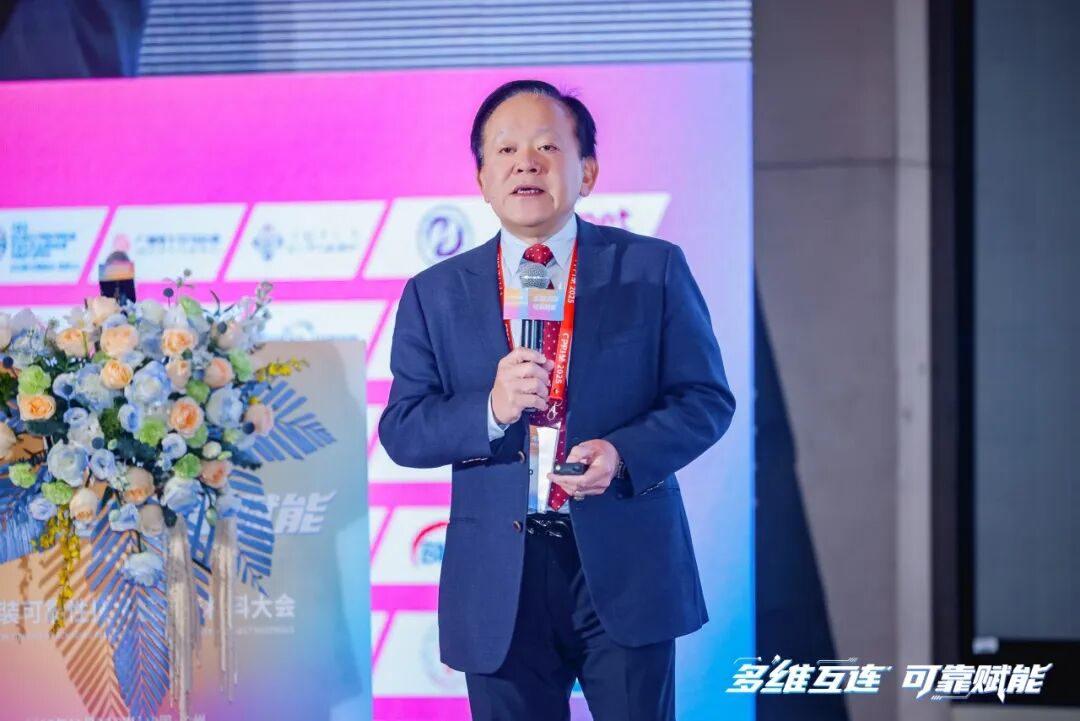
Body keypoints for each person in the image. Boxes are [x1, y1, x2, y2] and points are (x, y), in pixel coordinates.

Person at [379, 79, 735, 721]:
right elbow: (404, 429)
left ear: (587, 172)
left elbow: (705, 399)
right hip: (500, 577)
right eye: (506, 150)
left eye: (547, 147)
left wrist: (622, 455)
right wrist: (491, 409)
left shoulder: (651, 268)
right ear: (482, 180)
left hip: (624, 563)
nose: (526, 163)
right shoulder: (434, 294)